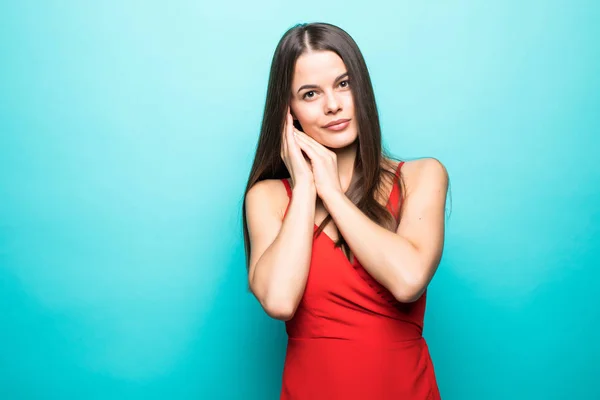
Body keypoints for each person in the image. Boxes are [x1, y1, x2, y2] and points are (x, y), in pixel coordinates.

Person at [242, 22, 448, 399]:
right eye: (309, 94)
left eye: (343, 83)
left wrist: (332, 193)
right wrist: (305, 186)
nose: (332, 105)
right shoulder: (269, 197)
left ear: (362, 89)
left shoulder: (420, 177)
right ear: (288, 113)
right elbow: (279, 300)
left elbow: (407, 280)